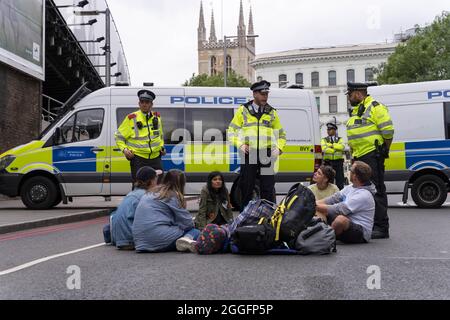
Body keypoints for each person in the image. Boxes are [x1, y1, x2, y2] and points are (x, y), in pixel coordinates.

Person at [345, 82, 394, 239]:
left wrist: (384, 150)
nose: (349, 98)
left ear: (358, 94)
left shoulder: (375, 107)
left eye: (350, 94)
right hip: (359, 156)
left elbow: (388, 131)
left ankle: (381, 227)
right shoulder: (357, 110)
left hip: (372, 155)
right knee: (363, 191)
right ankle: (370, 224)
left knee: (376, 190)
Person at [227, 80, 287, 209]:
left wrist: (279, 148)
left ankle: (268, 215)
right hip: (249, 153)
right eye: (262, 94)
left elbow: (282, 135)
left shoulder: (271, 112)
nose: (265, 97)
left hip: (266, 154)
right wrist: (240, 144)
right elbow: (231, 131)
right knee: (246, 187)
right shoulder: (243, 110)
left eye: (267, 94)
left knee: (268, 188)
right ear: (254, 94)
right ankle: (245, 215)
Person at [132, 169, 200, 253]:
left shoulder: (150, 192)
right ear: (182, 184)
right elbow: (188, 223)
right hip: (159, 240)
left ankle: (184, 240)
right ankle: (186, 239)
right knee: (195, 231)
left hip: (140, 243)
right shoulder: (171, 195)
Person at [315, 161, 376, 244]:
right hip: (346, 222)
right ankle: (317, 234)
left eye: (351, 170)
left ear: (355, 176)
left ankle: (326, 238)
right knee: (320, 210)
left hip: (360, 232)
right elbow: (333, 199)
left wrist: (313, 205)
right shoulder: (351, 187)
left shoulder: (363, 195)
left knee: (340, 220)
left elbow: (339, 209)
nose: (349, 171)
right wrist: (313, 202)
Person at [115, 90, 166, 185]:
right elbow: (119, 137)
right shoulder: (131, 118)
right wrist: (125, 150)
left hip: (156, 159)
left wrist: (162, 148)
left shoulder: (157, 117)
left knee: (159, 187)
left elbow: (160, 135)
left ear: (151, 104)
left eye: (147, 102)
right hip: (139, 159)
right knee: (139, 188)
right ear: (139, 103)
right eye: (142, 102)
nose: (144, 104)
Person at [105, 167, 161, 250]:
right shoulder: (146, 197)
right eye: (156, 179)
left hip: (119, 240)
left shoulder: (131, 194)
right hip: (131, 240)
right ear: (151, 181)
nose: (157, 183)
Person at [321, 123, 346, 190]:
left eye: (330, 129)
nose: (328, 131)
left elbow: (342, 147)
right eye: (328, 129)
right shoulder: (324, 139)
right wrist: (334, 150)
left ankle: (340, 193)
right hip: (328, 162)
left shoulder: (340, 139)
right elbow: (324, 149)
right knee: (328, 180)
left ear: (335, 131)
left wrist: (331, 145)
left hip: (338, 162)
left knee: (340, 180)